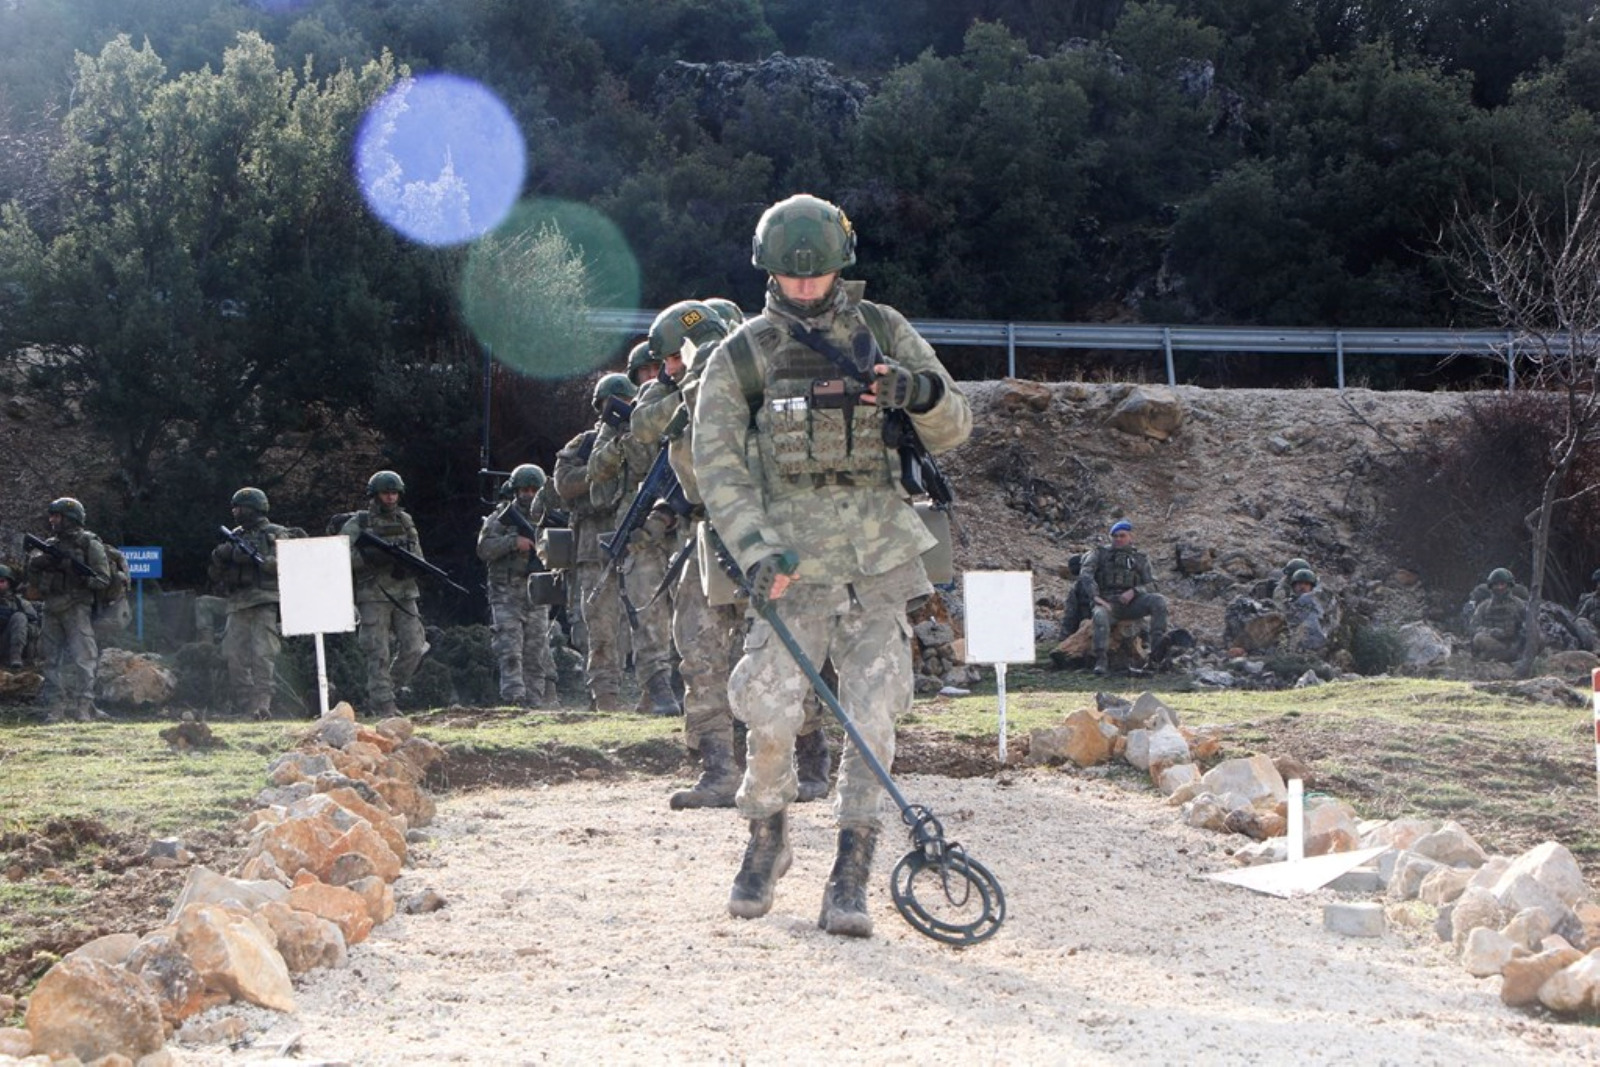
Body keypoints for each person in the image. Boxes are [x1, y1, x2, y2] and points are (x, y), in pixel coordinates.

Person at [693, 193, 971, 937]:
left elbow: (956, 424)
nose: (806, 289)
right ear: (770, 273)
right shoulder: (744, 354)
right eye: (791, 277)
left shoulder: (884, 331)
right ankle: (767, 834)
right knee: (771, 707)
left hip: (878, 560)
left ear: (840, 267)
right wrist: (753, 547)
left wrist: (918, 394)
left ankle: (852, 866)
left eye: (817, 277)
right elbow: (717, 466)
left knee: (873, 713)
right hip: (791, 567)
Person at [552, 373, 654, 713]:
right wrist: (603, 468)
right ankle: (606, 698)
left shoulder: (646, 437)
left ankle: (651, 695)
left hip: (639, 544)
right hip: (594, 548)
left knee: (645, 622)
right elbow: (563, 485)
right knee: (601, 628)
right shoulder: (584, 444)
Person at [340, 471, 429, 717]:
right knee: (377, 651)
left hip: (404, 593)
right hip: (373, 594)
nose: (390, 498)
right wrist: (370, 558)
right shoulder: (360, 523)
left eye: (394, 493)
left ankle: (390, 688)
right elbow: (338, 555)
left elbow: (418, 556)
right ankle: (382, 703)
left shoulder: (405, 520)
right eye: (385, 493)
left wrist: (406, 563)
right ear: (374, 494)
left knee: (415, 646)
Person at [207, 487, 297, 719]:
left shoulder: (276, 533)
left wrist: (264, 561)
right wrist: (222, 554)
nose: (236, 511)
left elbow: (290, 562)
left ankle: (262, 704)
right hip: (238, 602)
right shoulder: (234, 535)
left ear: (254, 508)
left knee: (262, 654)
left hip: (265, 600)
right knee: (233, 655)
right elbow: (215, 574)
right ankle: (245, 703)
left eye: (240, 507)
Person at [477, 464, 559, 708]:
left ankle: (534, 701)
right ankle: (514, 699)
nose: (529, 494)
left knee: (536, 652)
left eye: (534, 489)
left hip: (537, 593)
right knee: (510, 650)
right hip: (506, 593)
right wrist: (514, 542)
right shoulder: (499, 519)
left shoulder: (548, 518)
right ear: (515, 490)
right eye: (524, 489)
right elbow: (484, 549)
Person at [24, 497, 111, 722]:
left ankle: (85, 705)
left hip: (77, 607)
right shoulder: (49, 545)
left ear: (70, 518)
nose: (52, 520)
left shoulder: (90, 544)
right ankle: (56, 706)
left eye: (57, 516)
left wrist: (74, 573)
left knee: (84, 659)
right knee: (49, 659)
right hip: (51, 608)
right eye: (52, 515)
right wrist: (38, 563)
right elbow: (32, 580)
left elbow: (103, 579)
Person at [1078, 520, 1168, 675]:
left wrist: (1135, 591)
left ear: (1130, 537)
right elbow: (1085, 574)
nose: (1118, 539)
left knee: (1159, 601)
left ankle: (1156, 656)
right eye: (1114, 536)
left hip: (1132, 603)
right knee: (1099, 616)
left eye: (1122, 536)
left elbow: (1153, 584)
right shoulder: (1099, 554)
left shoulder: (1139, 558)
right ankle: (1101, 660)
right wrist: (1095, 597)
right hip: (1108, 603)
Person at [1470, 567, 1527, 662]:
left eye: (1502, 584)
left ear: (1509, 585)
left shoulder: (1518, 604)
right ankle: (1500, 657)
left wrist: (1521, 635)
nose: (1499, 588)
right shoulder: (1484, 606)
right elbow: (1473, 627)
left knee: (1538, 637)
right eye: (1496, 585)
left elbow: (1529, 624)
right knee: (1479, 638)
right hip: (1495, 643)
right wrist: (1491, 631)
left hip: (1514, 644)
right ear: (1491, 586)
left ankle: (1507, 657)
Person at [0, 564, 39, 670]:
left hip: (8, 644)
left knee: (19, 617)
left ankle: (15, 658)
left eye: (1, 581)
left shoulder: (21, 604)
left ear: (9, 583)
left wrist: (13, 623)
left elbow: (35, 630)